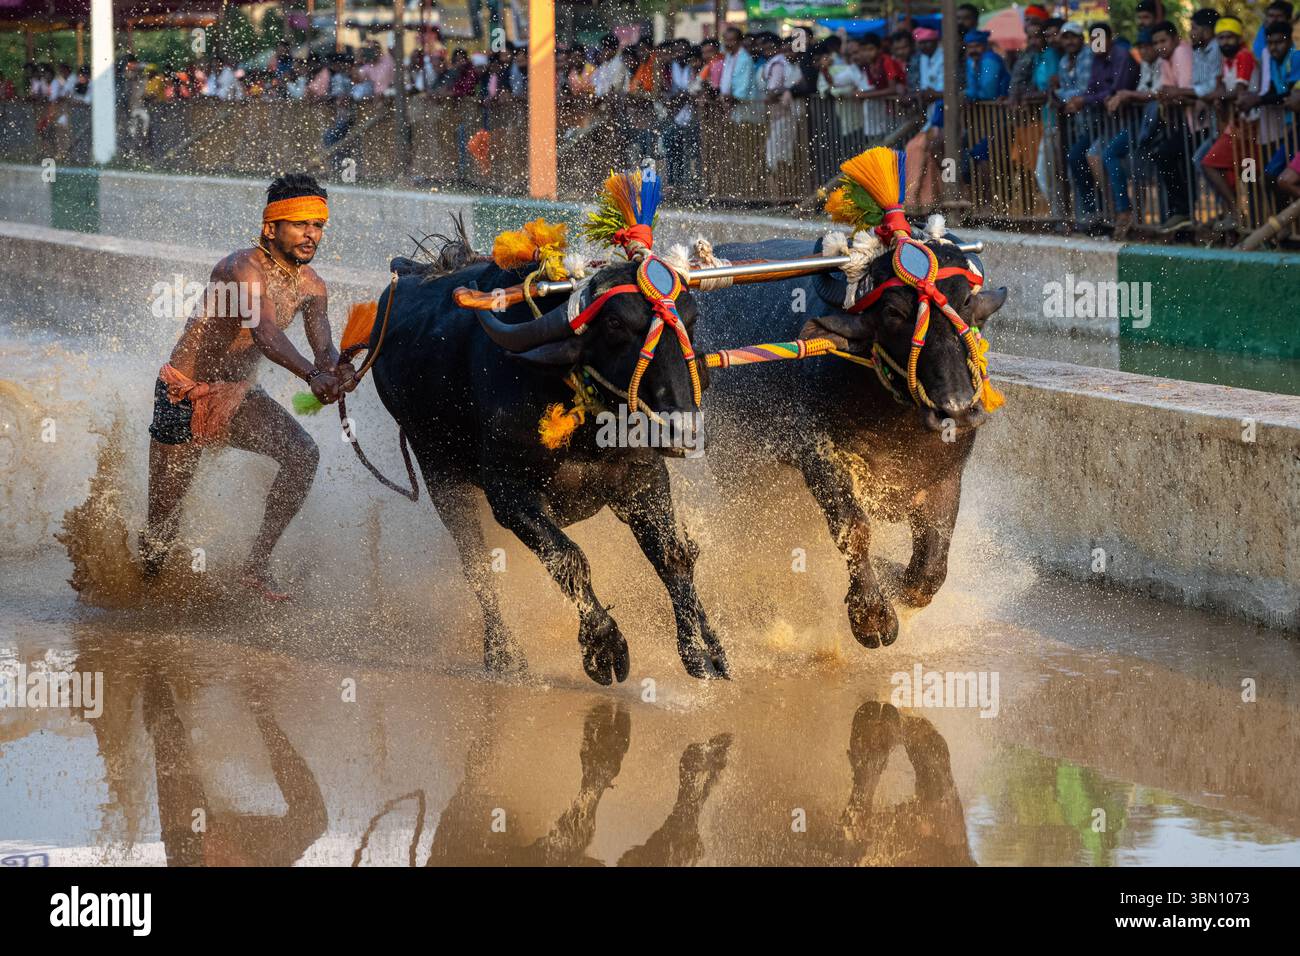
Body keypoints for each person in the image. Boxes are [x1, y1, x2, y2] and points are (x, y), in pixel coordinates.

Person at [141, 174, 355, 599]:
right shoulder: (239, 268)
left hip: (237, 395)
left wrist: (338, 371)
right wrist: (313, 378)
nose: (311, 235)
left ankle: (255, 567)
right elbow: (266, 334)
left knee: (302, 454)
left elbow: (324, 347)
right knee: (162, 527)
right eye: (300, 224)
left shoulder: (313, 286)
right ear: (270, 227)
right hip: (183, 395)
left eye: (317, 225)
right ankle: (143, 594)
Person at [1065, 23, 1138, 221]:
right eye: (1093, 39)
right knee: (1081, 156)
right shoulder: (1097, 60)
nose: (1097, 43)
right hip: (1106, 122)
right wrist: (1081, 99)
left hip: (1130, 121)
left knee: (1101, 156)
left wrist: (1084, 100)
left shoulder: (1121, 56)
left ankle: (1120, 211)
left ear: (1110, 38)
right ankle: (1104, 211)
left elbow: (1116, 90)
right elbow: (1092, 90)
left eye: (1100, 38)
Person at [1103, 28, 1165, 237]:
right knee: (1110, 154)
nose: (1145, 51)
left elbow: (1158, 93)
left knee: (1149, 166)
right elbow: (1143, 92)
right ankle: (1126, 212)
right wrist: (1127, 96)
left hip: (1159, 124)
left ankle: (1152, 223)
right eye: (1142, 47)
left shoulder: (1163, 64)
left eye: (1148, 46)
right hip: (1142, 123)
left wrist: (1127, 94)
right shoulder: (1145, 66)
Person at [1198, 17, 1258, 227]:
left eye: (1229, 37)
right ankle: (1241, 218)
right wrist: (1220, 95)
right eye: (1221, 38)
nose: (1225, 42)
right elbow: (1224, 91)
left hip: (1251, 126)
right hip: (1238, 125)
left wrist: (1219, 96)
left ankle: (1238, 214)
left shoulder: (1244, 56)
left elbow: (1239, 92)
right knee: (1239, 174)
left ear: (1239, 37)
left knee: (1212, 164)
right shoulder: (1227, 61)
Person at [1149, 20, 1197, 231]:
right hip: (1187, 123)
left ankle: (1184, 210)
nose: (1160, 46)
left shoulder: (1181, 53)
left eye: (1163, 40)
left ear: (1175, 39)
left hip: (1199, 123)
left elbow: (1182, 92)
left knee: (1168, 155)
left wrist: (1172, 96)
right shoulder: (1165, 60)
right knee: (1167, 156)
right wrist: (1170, 95)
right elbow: (1167, 92)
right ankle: (1181, 211)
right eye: (1156, 42)